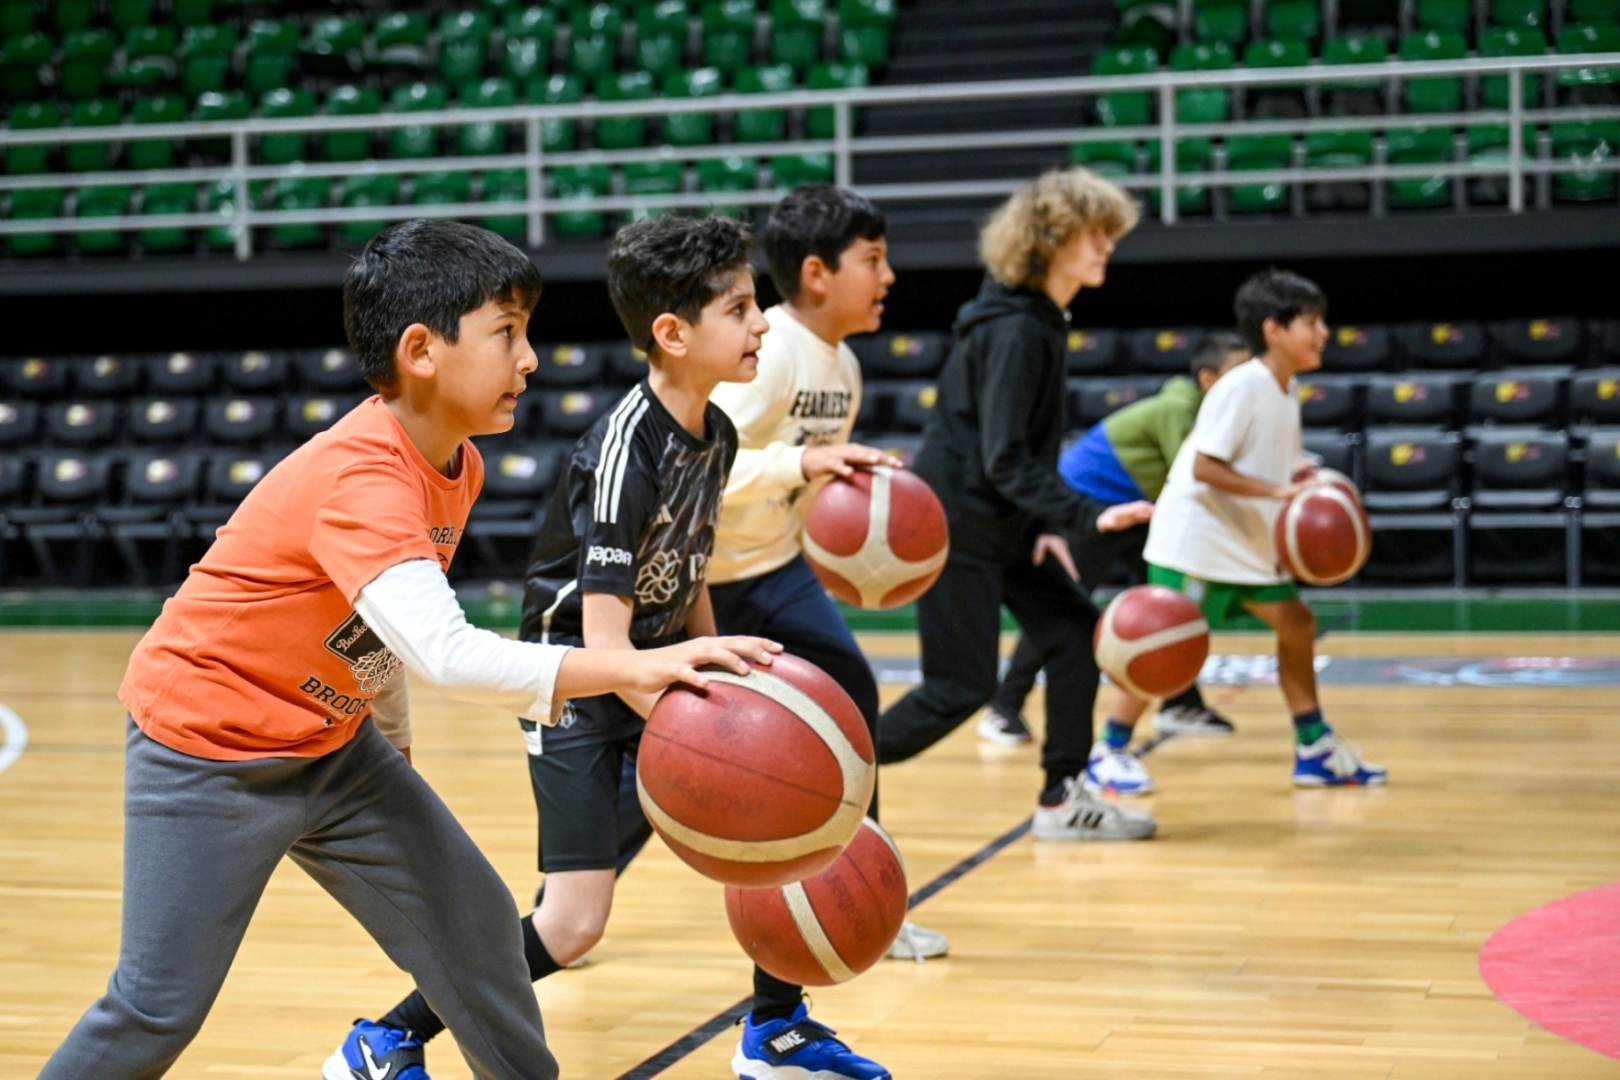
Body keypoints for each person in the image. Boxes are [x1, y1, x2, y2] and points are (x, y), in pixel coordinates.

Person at [38, 219, 776, 1080]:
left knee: (480, 933)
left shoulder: (455, 462)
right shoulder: (361, 475)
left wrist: (389, 753)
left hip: (334, 749)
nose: (530, 359)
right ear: (422, 350)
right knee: (155, 1007)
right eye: (507, 333)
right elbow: (444, 652)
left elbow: (377, 634)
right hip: (208, 754)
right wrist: (626, 665)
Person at [341, 214, 856, 1080]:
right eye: (739, 309)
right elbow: (605, 638)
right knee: (573, 924)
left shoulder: (719, 437)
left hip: (649, 674)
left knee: (773, 830)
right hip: (579, 689)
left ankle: (775, 1028)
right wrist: (718, 729)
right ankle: (386, 1036)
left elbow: (690, 569)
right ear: (673, 333)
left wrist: (722, 665)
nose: (763, 323)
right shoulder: (624, 451)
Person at [707, 184, 950, 1079]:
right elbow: (703, 461)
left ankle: (844, 904)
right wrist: (802, 460)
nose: (890, 276)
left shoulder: (840, 365)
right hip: (702, 584)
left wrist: (869, 532)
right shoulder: (770, 351)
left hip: (772, 571)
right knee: (673, 792)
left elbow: (798, 489)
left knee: (851, 699)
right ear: (815, 273)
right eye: (874, 259)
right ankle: (564, 897)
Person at [873, 168, 1158, 843]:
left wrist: (1039, 526)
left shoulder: (1039, 321)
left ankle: (1063, 797)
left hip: (1000, 523)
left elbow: (1008, 454)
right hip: (960, 527)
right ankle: (827, 768)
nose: (1107, 247)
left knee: (1073, 636)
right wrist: (1084, 515)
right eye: (1094, 235)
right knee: (958, 689)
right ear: (1051, 241)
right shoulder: (1017, 331)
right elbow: (1003, 458)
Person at [1130, 269, 1387, 789]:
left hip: (1240, 541)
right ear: (1274, 330)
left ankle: (1313, 748)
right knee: (1163, 648)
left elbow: (1274, 463)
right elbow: (1204, 466)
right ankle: (1109, 751)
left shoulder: (1284, 389)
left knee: (1297, 624)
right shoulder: (1241, 386)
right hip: (1196, 542)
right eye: (1312, 323)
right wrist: (1276, 494)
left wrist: (1303, 475)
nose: (1323, 334)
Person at [981, 333, 1252, 786]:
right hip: (1084, 506)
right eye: (1238, 373)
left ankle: (1181, 701)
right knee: (1061, 606)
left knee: (1170, 598)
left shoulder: (1207, 411)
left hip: (1134, 510)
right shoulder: (1179, 412)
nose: (1248, 384)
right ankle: (1004, 705)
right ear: (1209, 379)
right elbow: (1194, 479)